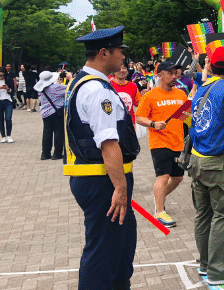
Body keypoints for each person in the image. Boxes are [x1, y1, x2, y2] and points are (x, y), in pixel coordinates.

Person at [64, 25, 139, 290]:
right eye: (120, 52)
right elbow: (108, 142)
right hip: (104, 182)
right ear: (104, 53)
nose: (123, 58)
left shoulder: (81, 83)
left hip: (98, 179)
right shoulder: (98, 90)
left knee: (120, 248)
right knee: (103, 254)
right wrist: (119, 187)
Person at [188, 46, 224, 285]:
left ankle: (205, 264)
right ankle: (219, 270)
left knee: (203, 215)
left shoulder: (203, 88)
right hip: (219, 162)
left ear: (210, 66)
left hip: (196, 159)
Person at [135, 61, 188, 228]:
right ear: (159, 75)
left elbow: (187, 117)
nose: (175, 76)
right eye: (170, 73)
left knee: (178, 177)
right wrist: (153, 124)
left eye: (176, 73)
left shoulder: (181, 94)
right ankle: (159, 212)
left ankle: (159, 197)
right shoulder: (150, 96)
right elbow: (139, 117)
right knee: (163, 176)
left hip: (178, 142)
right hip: (159, 142)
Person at [37, 71, 67, 160]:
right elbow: (69, 88)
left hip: (45, 113)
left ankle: (45, 153)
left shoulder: (40, 89)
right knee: (58, 132)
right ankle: (57, 153)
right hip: (56, 112)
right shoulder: (56, 87)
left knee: (47, 133)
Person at [0, 69, 14, 143]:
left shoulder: (8, 80)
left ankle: (9, 135)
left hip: (8, 101)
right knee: (1, 120)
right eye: (0, 75)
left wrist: (8, 88)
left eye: (3, 75)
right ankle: (3, 136)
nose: (1, 77)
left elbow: (12, 91)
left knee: (8, 118)